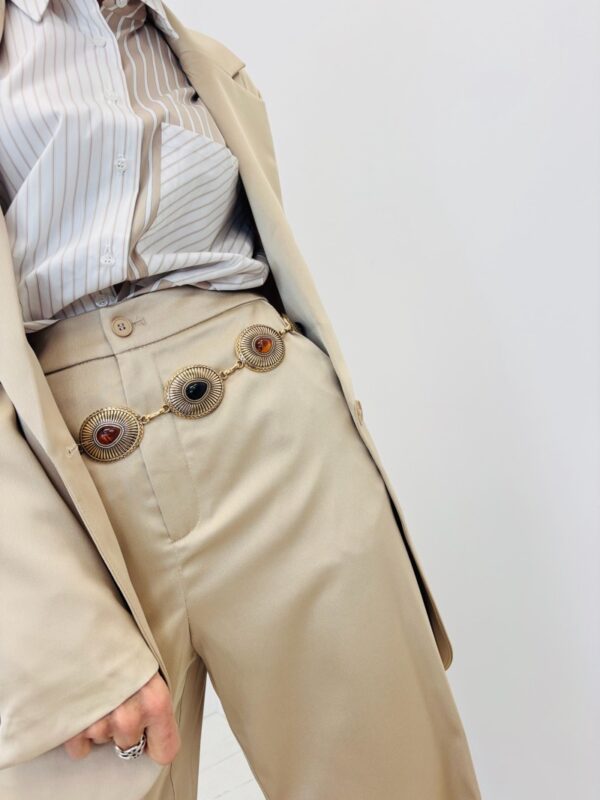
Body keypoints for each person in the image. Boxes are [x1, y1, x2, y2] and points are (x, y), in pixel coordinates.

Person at [0, 0, 483, 798]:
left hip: (276, 422)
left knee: (389, 778)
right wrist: (60, 636)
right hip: (70, 490)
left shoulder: (208, 63)